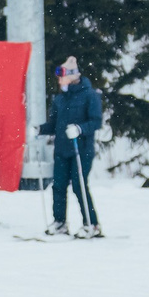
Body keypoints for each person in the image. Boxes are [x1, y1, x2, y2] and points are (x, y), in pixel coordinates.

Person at [46, 58, 105, 237]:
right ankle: (60, 222)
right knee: (58, 186)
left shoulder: (89, 95)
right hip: (62, 149)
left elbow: (96, 121)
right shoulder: (60, 99)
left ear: (71, 77)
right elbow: (53, 124)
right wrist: (40, 129)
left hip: (81, 149)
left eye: (61, 76)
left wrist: (80, 129)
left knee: (79, 186)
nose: (59, 80)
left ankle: (92, 224)